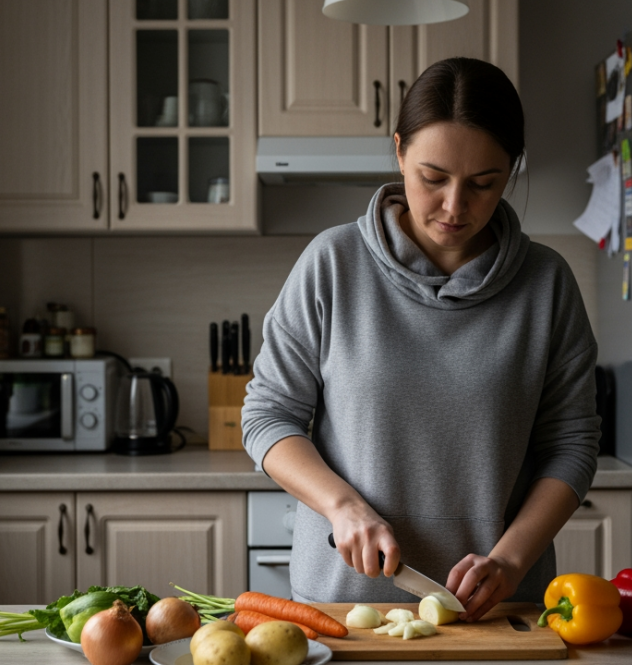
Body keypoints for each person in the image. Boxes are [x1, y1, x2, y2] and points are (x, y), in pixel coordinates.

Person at [241, 57, 600, 621]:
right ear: (400, 151)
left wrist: (508, 562)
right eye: (433, 178)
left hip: (498, 609)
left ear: (512, 170)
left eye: (484, 183)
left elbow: (572, 445)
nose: (455, 207)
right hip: (343, 608)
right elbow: (267, 416)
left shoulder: (546, 284)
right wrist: (343, 507)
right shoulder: (331, 264)